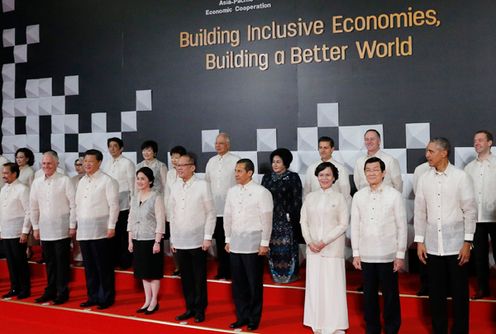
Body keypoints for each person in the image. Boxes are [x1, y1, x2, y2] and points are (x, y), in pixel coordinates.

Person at [415, 137, 477, 334]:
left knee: (459, 292)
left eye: (431, 151)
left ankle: (460, 330)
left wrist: (468, 242)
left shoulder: (461, 177)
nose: (427, 155)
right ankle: (438, 330)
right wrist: (419, 241)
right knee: (436, 293)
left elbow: (470, 211)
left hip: (457, 245)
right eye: (427, 151)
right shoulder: (424, 178)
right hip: (432, 245)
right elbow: (420, 212)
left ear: (444, 153)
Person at [351, 157, 407, 334]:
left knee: (390, 295)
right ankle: (372, 328)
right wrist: (356, 253)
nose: (372, 173)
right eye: (368, 170)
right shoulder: (359, 196)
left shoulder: (394, 195)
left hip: (388, 254)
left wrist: (400, 255)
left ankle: (392, 328)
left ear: (383, 173)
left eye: (376, 170)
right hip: (366, 254)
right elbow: (355, 226)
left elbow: (402, 226)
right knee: (369, 296)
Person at [224, 159, 273, 331]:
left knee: (254, 283)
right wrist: (227, 239)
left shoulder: (262, 192)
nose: (236, 174)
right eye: (235, 171)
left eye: (239, 171)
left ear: (250, 172)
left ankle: (254, 317)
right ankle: (241, 316)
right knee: (238, 284)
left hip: (254, 244)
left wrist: (264, 243)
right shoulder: (231, 192)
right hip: (236, 243)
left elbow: (267, 220)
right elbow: (228, 217)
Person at [300, 162, 349, 334]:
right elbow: (303, 221)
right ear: (317, 177)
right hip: (313, 250)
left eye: (328, 175)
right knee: (316, 286)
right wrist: (310, 241)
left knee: (332, 287)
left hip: (332, 249)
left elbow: (343, 224)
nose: (324, 178)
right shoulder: (310, 198)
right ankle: (317, 322)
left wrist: (324, 241)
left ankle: (334, 325)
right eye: (321, 175)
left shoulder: (340, 198)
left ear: (334, 177)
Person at [169, 153, 216, 323]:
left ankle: (200, 309)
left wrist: (207, 237)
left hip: (198, 240)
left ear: (193, 167)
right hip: (180, 239)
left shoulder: (202, 185)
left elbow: (211, 213)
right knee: (186, 277)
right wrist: (173, 238)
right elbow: (172, 215)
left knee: (199, 277)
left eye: (183, 165)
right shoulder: (174, 186)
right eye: (177, 165)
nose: (179, 168)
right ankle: (189, 307)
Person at [30, 151, 76, 305]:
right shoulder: (36, 182)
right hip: (45, 229)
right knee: (49, 263)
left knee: (62, 263)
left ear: (57, 164)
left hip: (62, 229)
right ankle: (50, 290)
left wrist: (72, 225)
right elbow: (33, 207)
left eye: (49, 163)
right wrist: (35, 227)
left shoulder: (65, 180)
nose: (46, 166)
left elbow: (73, 205)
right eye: (43, 163)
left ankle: (62, 292)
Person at [76, 149, 119, 310]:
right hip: (84, 231)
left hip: (101, 230)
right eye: (85, 161)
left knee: (103, 266)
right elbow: (78, 205)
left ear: (99, 163)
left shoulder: (107, 181)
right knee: (90, 267)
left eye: (90, 161)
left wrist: (111, 226)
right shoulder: (82, 181)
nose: (86, 164)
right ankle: (92, 296)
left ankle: (106, 297)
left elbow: (114, 206)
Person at [128, 167, 165, 315]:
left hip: (151, 240)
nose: (140, 181)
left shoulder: (156, 197)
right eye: (138, 178)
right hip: (137, 238)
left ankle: (154, 300)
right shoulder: (135, 197)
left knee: (153, 272)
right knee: (143, 272)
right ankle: (147, 300)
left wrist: (157, 241)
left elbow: (161, 221)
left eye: (143, 178)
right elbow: (130, 219)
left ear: (150, 180)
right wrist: (130, 240)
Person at [261, 148, 302, 283]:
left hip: (287, 221)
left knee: (288, 248)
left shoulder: (293, 177)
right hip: (270, 220)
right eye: (273, 162)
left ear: (286, 163)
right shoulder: (266, 178)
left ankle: (290, 275)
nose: (275, 165)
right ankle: (276, 275)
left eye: (278, 162)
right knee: (273, 248)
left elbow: (297, 199)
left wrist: (292, 217)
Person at [464, 130, 496, 300]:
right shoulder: (469, 168)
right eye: (475, 140)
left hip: (495, 216)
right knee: (479, 257)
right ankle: (483, 288)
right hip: (476, 219)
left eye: (481, 140)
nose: (477, 143)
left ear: (490, 143)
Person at [205, 132, 239, 280]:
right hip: (215, 209)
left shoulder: (236, 161)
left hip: (232, 209)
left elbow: (240, 183)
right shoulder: (211, 161)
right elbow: (207, 183)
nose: (218, 146)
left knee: (231, 241)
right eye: (216, 143)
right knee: (219, 241)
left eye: (221, 143)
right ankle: (222, 270)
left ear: (228, 145)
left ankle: (234, 271)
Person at [103, 137, 135, 269]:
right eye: (110, 146)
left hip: (124, 205)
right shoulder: (107, 163)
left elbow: (133, 185)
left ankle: (125, 261)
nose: (112, 149)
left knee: (123, 235)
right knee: (113, 235)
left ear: (121, 148)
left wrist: (133, 204)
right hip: (110, 205)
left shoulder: (127, 163)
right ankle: (113, 260)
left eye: (115, 146)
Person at [0, 163, 31, 299]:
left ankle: (25, 288)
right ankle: (14, 287)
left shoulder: (22, 189)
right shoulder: (3, 189)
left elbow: (28, 212)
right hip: (6, 231)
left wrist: (25, 231)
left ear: (14, 173)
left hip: (18, 232)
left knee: (20, 261)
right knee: (10, 262)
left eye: (6, 173)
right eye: (3, 173)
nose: (3, 175)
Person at [303, 136, 351, 205]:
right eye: (320, 148)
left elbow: (345, 195)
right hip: (315, 209)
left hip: (334, 208)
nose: (322, 150)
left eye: (326, 148)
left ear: (332, 149)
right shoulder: (311, 168)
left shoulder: (340, 168)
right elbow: (306, 193)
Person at [164, 145, 187, 276]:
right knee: (174, 240)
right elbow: (167, 194)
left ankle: (186, 266)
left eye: (176, 157)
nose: (173, 160)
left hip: (185, 213)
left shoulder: (187, 173)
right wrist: (167, 212)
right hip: (172, 213)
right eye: (172, 157)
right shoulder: (170, 173)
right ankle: (178, 266)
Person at [71, 157, 85, 267]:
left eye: (80, 164)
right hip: (75, 211)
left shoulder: (90, 178)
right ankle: (78, 257)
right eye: (76, 164)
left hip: (87, 211)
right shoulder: (72, 180)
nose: (78, 167)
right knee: (75, 237)